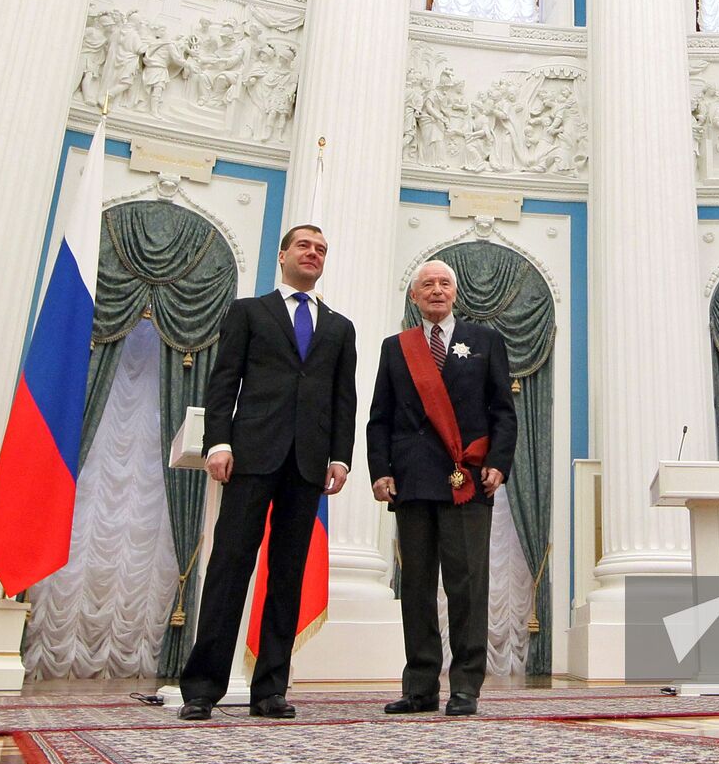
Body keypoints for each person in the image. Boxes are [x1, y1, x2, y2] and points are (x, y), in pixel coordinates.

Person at [177, 225, 357, 721]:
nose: (314, 253)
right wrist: (218, 441)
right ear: (282, 256)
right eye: (305, 246)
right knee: (229, 568)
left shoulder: (340, 327)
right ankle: (201, 688)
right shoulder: (249, 312)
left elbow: (345, 398)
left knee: (287, 576)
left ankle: (270, 689)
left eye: (322, 248)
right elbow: (223, 381)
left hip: (307, 466)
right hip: (251, 456)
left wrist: (340, 456)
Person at [369, 260, 517, 717]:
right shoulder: (397, 348)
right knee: (415, 585)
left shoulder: (485, 341)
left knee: (466, 584)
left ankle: (466, 685)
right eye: (427, 284)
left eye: (444, 284)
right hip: (411, 480)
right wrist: (380, 471)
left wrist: (498, 464)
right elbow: (380, 417)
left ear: (455, 293)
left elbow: (503, 412)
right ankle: (419, 685)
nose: (436, 290)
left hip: (466, 478)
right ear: (414, 297)